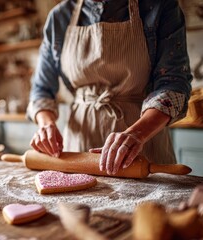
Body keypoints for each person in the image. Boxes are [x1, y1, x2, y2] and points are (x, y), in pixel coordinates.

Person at [27, 0, 192, 175]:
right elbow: (41, 90)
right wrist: (46, 125)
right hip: (79, 147)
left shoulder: (159, 6)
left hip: (144, 143)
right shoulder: (59, 17)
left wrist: (137, 134)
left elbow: (173, 83)